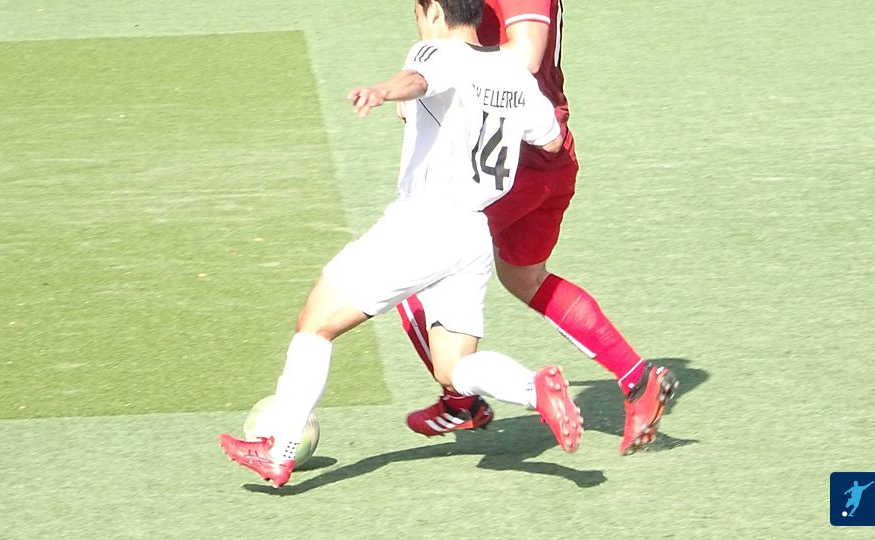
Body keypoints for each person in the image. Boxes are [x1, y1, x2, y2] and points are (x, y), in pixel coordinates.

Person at [219, 0, 582, 489]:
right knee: (455, 368)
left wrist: (383, 91)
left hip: (422, 224)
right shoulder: (513, 72)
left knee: (314, 325)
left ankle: (279, 449)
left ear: (434, 12)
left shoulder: (435, 51)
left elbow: (418, 80)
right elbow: (552, 140)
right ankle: (534, 390)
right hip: (473, 232)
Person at [396, 0, 679, 456]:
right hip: (536, 155)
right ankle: (638, 379)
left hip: (516, 158)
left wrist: (441, 74)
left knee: (405, 268)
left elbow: (526, 55)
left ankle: (461, 400)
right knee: (524, 277)